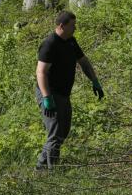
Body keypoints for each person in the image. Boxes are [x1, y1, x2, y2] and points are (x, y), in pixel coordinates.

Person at [35, 10, 104, 170]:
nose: (75, 28)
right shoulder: (50, 44)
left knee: (63, 131)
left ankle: (42, 167)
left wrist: (95, 81)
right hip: (49, 92)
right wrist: (47, 97)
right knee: (55, 133)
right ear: (62, 26)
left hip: (64, 93)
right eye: (72, 25)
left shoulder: (71, 41)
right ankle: (50, 172)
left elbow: (84, 62)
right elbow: (41, 72)